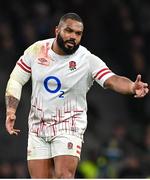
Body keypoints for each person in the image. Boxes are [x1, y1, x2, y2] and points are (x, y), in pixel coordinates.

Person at [5, 12, 149, 178]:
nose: (73, 36)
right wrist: (10, 110)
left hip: (69, 124)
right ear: (57, 30)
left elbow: (112, 79)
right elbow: (16, 79)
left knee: (63, 175)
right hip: (38, 126)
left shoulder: (86, 59)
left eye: (78, 33)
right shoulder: (37, 50)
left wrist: (131, 86)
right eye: (69, 31)